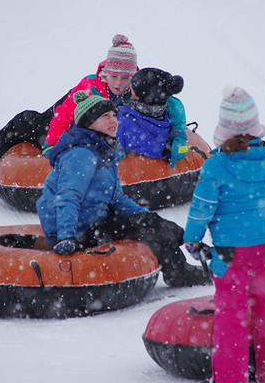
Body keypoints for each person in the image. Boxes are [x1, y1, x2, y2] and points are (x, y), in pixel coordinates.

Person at [36, 90, 211, 287]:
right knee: (145, 226)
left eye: (114, 115)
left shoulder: (103, 150)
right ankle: (178, 272)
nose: (113, 121)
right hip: (78, 231)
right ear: (88, 122)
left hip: (94, 220)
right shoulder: (81, 154)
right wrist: (66, 236)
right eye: (105, 116)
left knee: (150, 221)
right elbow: (67, 196)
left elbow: (117, 199)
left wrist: (157, 222)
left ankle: (190, 253)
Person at [183, 86, 265, 383]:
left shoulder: (216, 165)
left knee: (231, 314)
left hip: (231, 251)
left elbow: (202, 207)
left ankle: (230, 378)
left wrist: (192, 239)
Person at [0, 34, 138, 191]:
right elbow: (63, 115)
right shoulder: (91, 85)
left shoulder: (135, 92)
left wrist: (54, 145)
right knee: (39, 118)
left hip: (78, 138)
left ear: (133, 76)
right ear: (106, 72)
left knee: (25, 121)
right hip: (69, 128)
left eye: (125, 78)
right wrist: (51, 143)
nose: (119, 83)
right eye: (114, 76)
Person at [117, 67, 189, 166]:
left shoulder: (124, 122)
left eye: (133, 89)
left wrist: (166, 150)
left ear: (138, 96)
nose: (129, 90)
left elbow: (144, 142)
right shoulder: (167, 116)